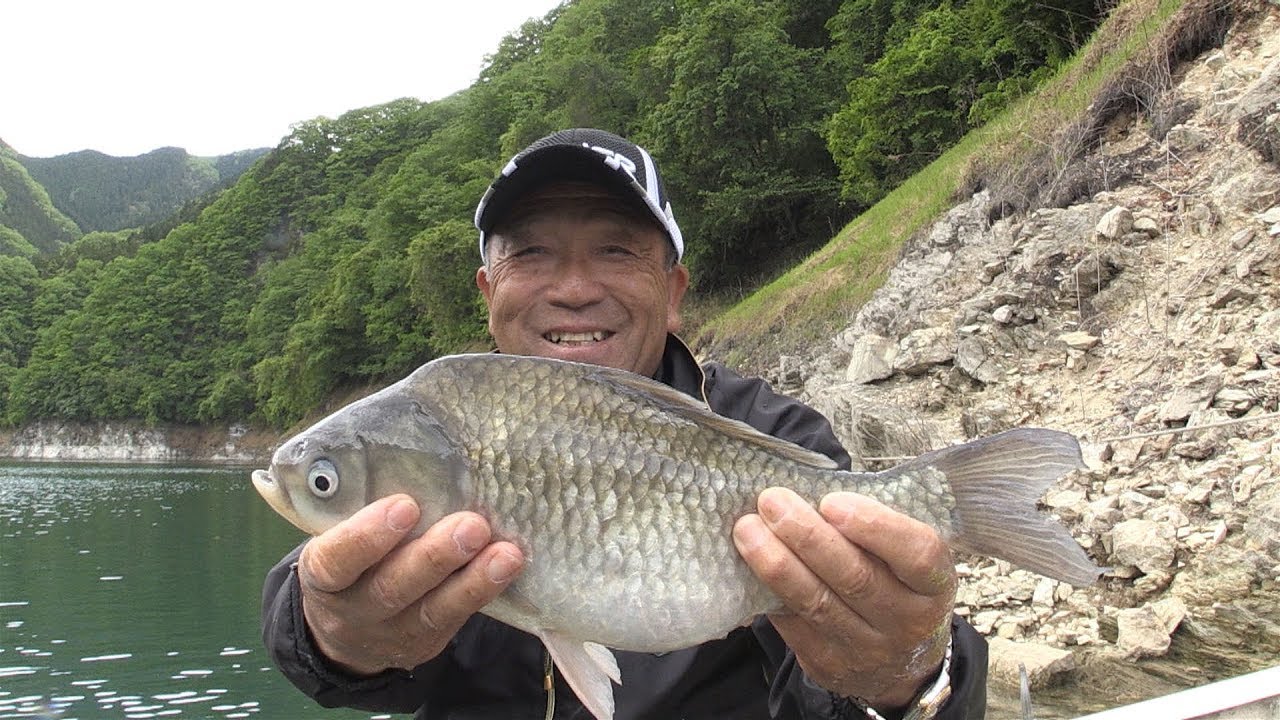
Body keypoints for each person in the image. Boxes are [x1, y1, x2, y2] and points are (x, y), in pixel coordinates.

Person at [262, 128, 988, 719]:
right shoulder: (445, 420)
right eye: (533, 252)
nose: (574, 289)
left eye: (615, 249)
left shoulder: (776, 435)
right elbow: (318, 635)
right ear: (490, 291)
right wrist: (329, 629)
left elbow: (827, 697)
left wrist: (906, 678)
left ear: (673, 291)